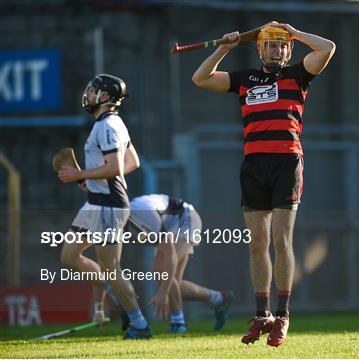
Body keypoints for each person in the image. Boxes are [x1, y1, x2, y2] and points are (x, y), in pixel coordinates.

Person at [192, 22, 335, 346]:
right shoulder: (245, 79)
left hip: (287, 163)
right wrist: (223, 49)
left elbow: (327, 48)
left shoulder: (299, 75)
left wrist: (294, 32)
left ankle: (283, 315)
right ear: (260, 49)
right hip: (254, 165)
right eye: (271, 45)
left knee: (281, 240)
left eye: (283, 45)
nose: (277, 50)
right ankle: (263, 314)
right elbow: (200, 78)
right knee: (257, 243)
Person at [57, 74, 153, 340]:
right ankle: (117, 294)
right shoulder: (110, 123)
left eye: (92, 90)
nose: (87, 94)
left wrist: (80, 175)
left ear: (105, 97)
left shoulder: (107, 126)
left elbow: (115, 167)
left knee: (112, 268)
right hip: (96, 202)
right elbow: (132, 162)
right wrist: (93, 181)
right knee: (69, 255)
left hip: (109, 205)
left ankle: (139, 324)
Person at [123, 194, 236, 333]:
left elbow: (170, 254)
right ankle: (219, 298)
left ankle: (179, 324)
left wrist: (163, 293)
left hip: (186, 218)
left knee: (163, 272)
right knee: (173, 282)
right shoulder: (123, 216)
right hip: (174, 223)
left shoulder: (140, 212)